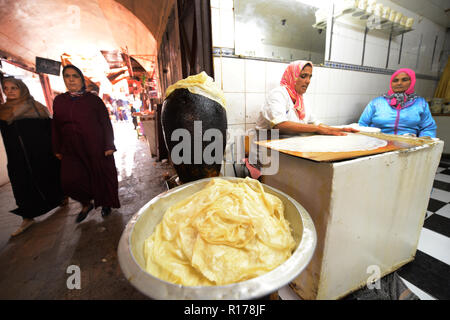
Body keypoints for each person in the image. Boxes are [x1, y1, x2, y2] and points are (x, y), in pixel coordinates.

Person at [52, 65, 120, 223]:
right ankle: (86, 203)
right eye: (67, 76)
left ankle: (105, 203)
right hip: (70, 149)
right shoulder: (60, 101)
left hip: (95, 145)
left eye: (74, 76)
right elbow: (55, 126)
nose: (71, 79)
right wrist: (56, 147)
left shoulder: (93, 100)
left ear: (81, 79)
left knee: (100, 176)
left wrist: (109, 144)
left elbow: (105, 123)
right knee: (69, 181)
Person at [0, 77, 65, 236]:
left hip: (41, 155)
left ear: (21, 88)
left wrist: (57, 151)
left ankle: (61, 198)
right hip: (17, 159)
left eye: (13, 88)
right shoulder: (2, 111)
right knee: (21, 186)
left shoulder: (36, 108)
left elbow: (50, 131)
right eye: (6, 88)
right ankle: (27, 218)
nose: (9, 91)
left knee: (49, 179)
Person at [256, 60, 357, 136]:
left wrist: (338, 129)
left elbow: (315, 123)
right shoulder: (278, 94)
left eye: (310, 77)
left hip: (289, 146)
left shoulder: (301, 100)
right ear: (292, 76)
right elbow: (279, 125)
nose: (308, 81)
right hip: (267, 151)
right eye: (303, 76)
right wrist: (316, 129)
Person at [358, 68, 437, 138]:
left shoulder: (420, 103)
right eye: (395, 80)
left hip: (409, 144)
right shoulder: (377, 102)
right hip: (379, 143)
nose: (399, 83)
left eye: (404, 80)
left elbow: (428, 128)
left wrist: (423, 142)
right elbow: (362, 124)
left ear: (412, 82)